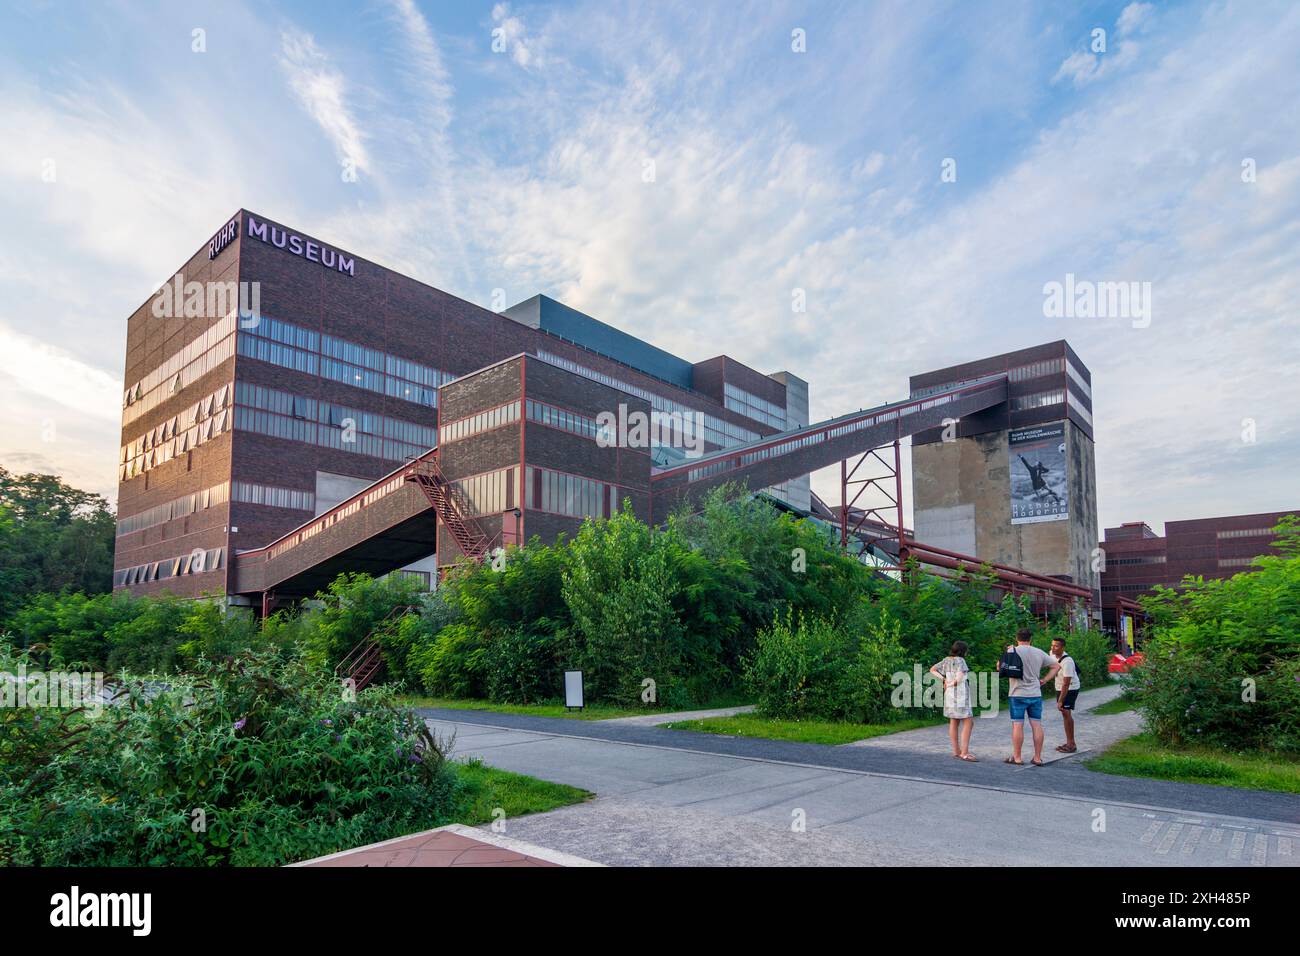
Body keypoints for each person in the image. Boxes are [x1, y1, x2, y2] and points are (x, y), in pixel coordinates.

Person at [1003, 628, 1060, 766]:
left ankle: (1017, 758)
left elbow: (1000, 667)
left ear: (1017, 638)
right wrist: (1045, 679)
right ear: (1030, 639)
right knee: (1036, 724)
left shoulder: (1012, 651)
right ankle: (1037, 757)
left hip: (1017, 693)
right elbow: (1056, 666)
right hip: (1035, 693)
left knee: (1017, 725)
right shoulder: (1038, 652)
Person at [930, 641, 977, 761]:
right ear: (963, 651)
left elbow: (932, 669)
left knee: (954, 721)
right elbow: (959, 678)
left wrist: (945, 680)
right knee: (968, 722)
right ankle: (965, 753)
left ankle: (956, 751)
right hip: (960, 693)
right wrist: (952, 683)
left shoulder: (946, 660)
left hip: (949, 693)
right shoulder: (961, 660)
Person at [1050, 636, 1082, 753]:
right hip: (1059, 687)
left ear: (1063, 648)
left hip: (1070, 688)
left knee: (1066, 712)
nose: (1053, 648)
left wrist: (1060, 701)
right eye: (1052, 645)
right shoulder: (1052, 654)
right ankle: (1069, 742)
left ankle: (1071, 744)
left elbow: (1066, 684)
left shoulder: (1068, 662)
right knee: (1064, 713)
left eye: (1056, 646)